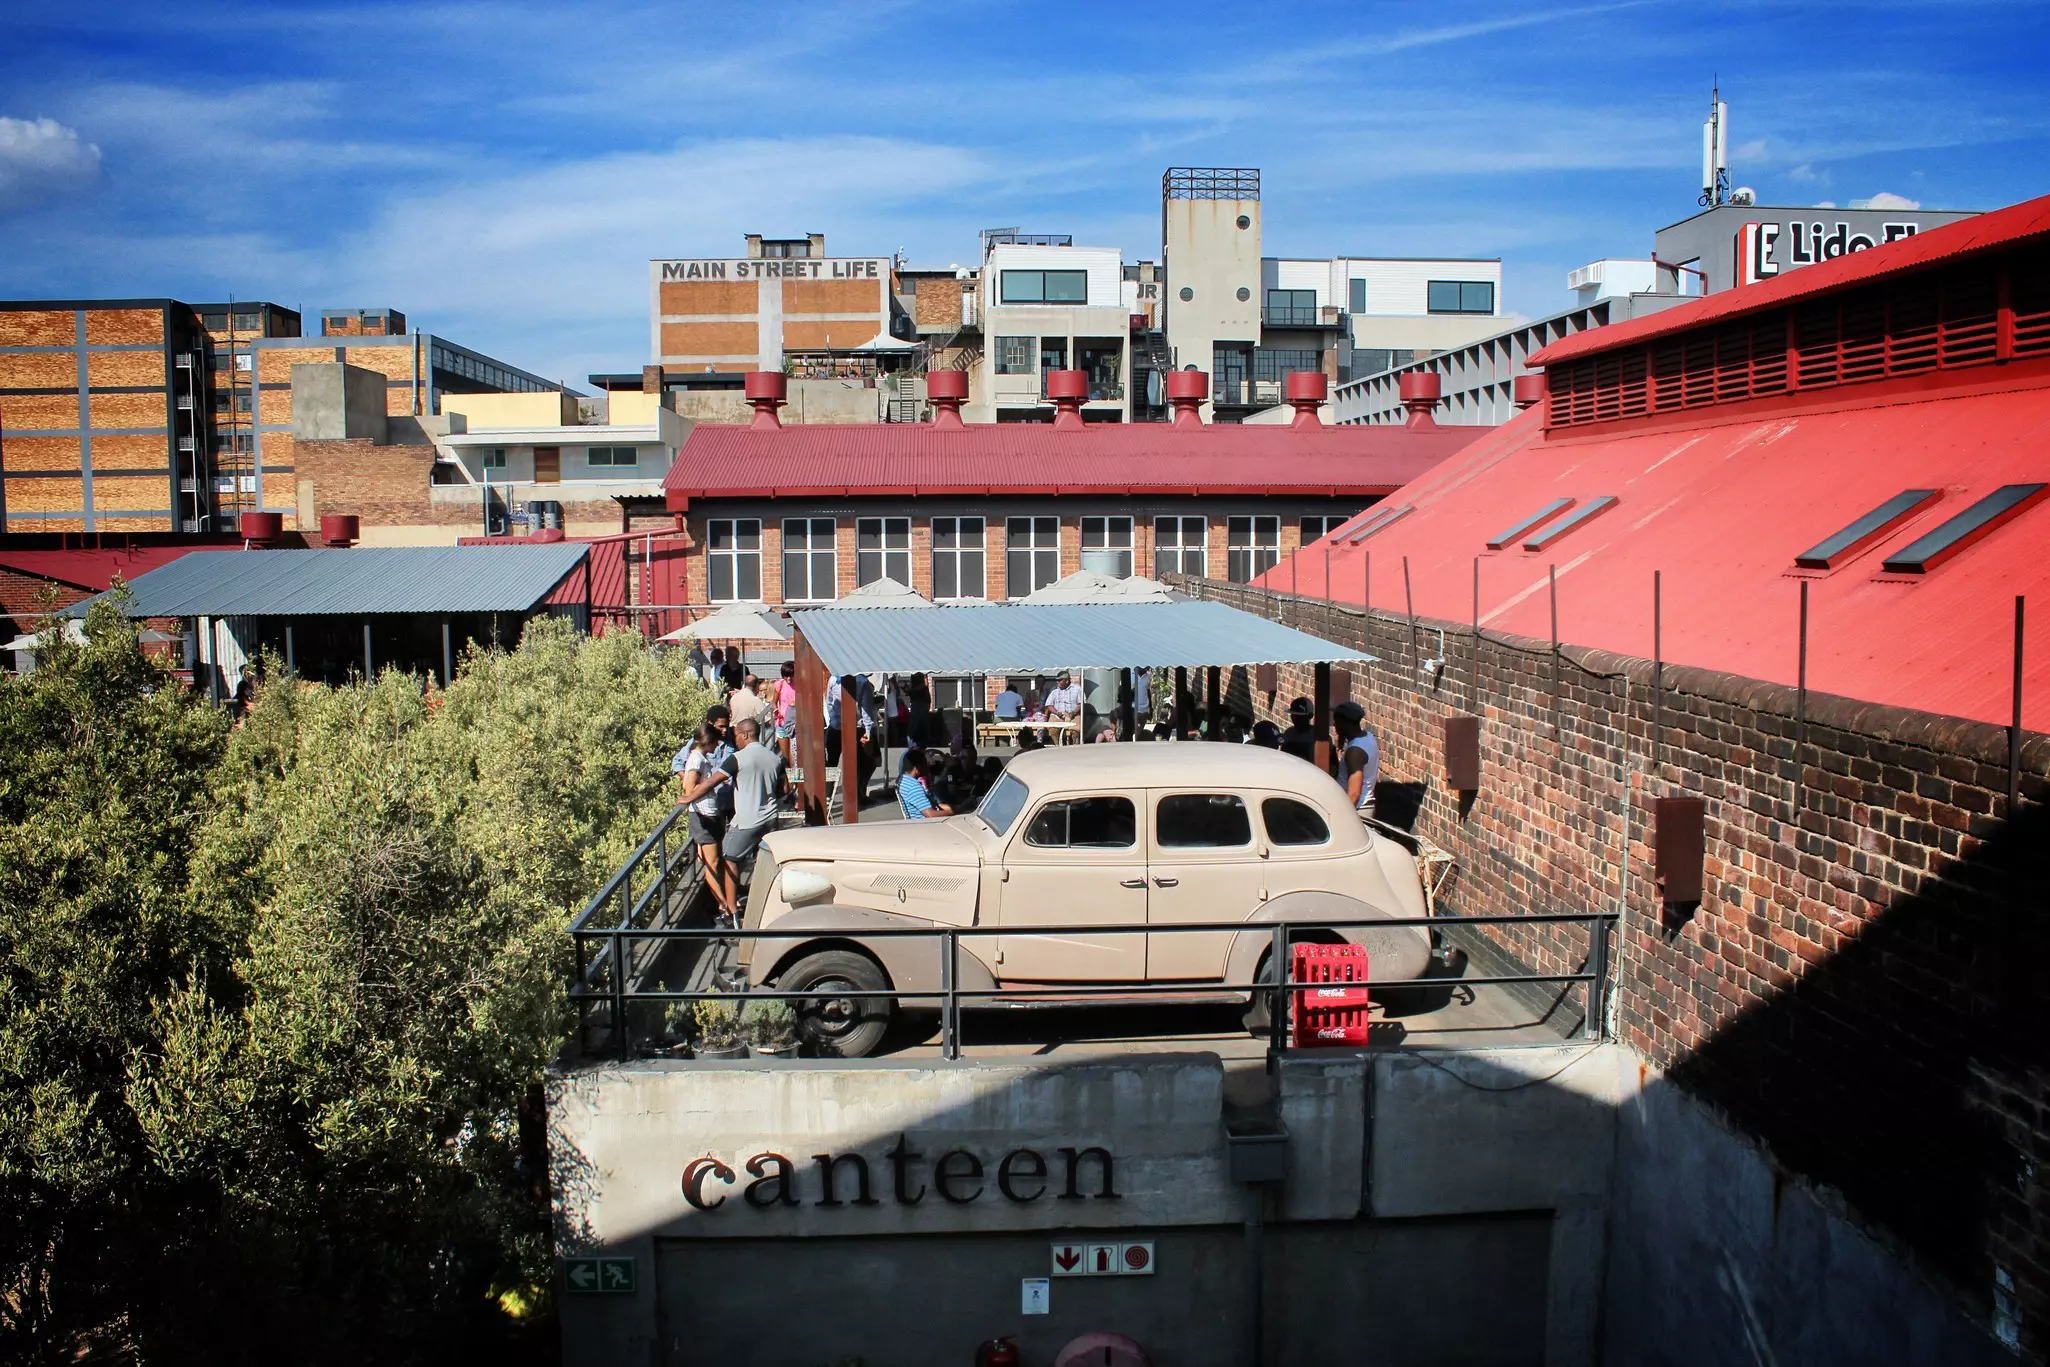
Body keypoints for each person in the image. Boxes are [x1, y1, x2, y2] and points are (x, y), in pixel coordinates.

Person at [673, 718, 737, 922]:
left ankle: (723, 904)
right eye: (714, 742)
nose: (717, 745)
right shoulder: (696, 760)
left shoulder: (699, 758)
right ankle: (723, 908)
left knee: (713, 859)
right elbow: (688, 787)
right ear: (707, 742)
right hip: (703, 814)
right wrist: (705, 789)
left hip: (709, 812)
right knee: (712, 861)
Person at [718, 717, 788, 877]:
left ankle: (731, 903)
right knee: (764, 859)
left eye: (736, 736)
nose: (735, 740)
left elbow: (711, 782)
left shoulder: (737, 758)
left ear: (744, 735)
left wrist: (689, 797)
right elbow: (784, 788)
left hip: (747, 821)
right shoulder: (774, 757)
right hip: (770, 816)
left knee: (729, 858)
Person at [1334, 700, 1381, 814]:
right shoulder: (1368, 737)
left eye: (1337, 721)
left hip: (1357, 810)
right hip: (1364, 806)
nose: (1335, 725)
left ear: (1347, 723)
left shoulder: (1354, 752)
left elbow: (1354, 794)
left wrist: (1343, 816)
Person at [897, 747, 953, 819]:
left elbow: (930, 804)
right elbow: (930, 815)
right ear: (917, 768)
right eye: (925, 764)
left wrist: (952, 808)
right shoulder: (914, 787)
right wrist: (951, 812)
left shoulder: (905, 780)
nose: (928, 767)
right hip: (926, 824)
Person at [1279, 697, 1321, 765]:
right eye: (1293, 715)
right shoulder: (1289, 733)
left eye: (1299, 716)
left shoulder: (1319, 737)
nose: (1295, 719)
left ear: (1310, 716)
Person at [773, 660, 798, 764]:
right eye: (785, 676)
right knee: (785, 757)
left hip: (794, 725)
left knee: (795, 756)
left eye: (791, 676)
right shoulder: (779, 684)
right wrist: (776, 710)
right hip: (782, 724)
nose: (788, 679)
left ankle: (796, 779)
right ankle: (788, 779)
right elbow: (774, 701)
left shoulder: (800, 685)